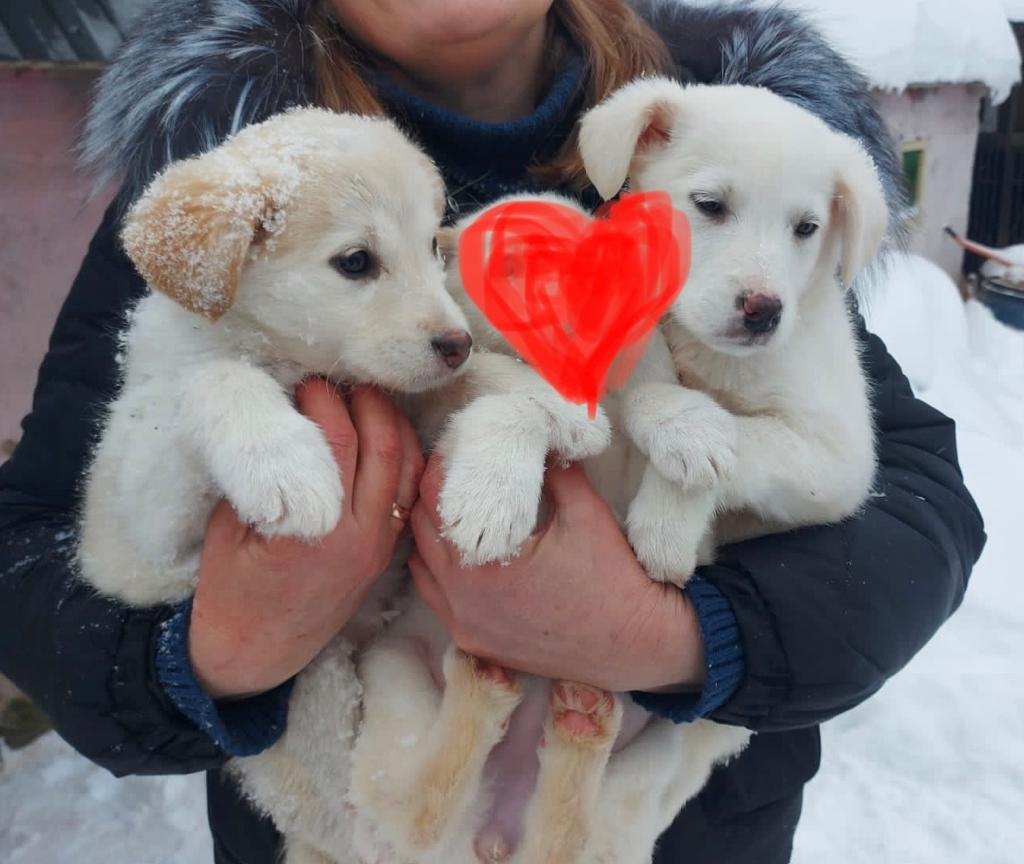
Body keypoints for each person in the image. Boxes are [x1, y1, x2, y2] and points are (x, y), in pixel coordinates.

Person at [0, 1, 985, 862]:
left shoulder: (731, 152)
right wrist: (222, 645)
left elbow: (920, 506)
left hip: (679, 832)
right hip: (363, 821)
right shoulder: (229, 177)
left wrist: (664, 637)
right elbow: (30, 541)